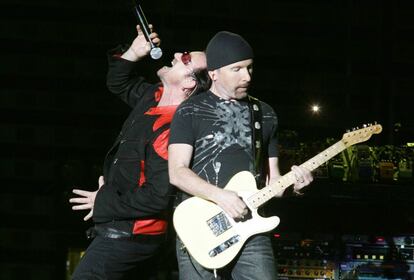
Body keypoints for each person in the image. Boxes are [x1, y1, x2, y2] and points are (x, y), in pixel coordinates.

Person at [168, 31, 313, 279]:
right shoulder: (190, 110)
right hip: (201, 226)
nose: (247, 76)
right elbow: (177, 172)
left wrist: (296, 186)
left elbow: (273, 183)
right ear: (214, 73)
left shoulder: (264, 113)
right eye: (237, 69)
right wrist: (221, 197)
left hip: (251, 228)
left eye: (249, 68)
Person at [69, 24, 210, 280]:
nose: (178, 54)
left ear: (190, 82)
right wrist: (133, 52)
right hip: (123, 231)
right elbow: (119, 83)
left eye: (186, 58)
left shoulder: (170, 131)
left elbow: (157, 197)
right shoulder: (153, 96)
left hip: (132, 237)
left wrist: (103, 202)